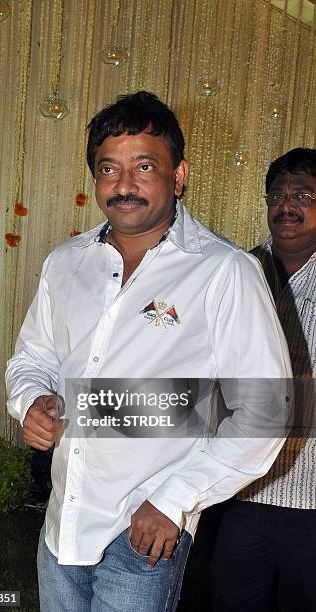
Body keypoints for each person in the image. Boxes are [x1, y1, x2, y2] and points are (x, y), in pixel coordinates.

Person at [6, 91, 291, 612]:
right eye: (108, 169)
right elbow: (32, 360)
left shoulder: (223, 271)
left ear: (178, 175)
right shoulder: (66, 263)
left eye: (144, 166)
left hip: (145, 528)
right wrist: (31, 401)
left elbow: (266, 408)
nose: (124, 184)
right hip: (62, 522)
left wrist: (174, 501)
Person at [212, 147, 316, 612]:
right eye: (276, 195)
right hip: (242, 490)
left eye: (303, 195)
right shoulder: (239, 273)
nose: (286, 206)